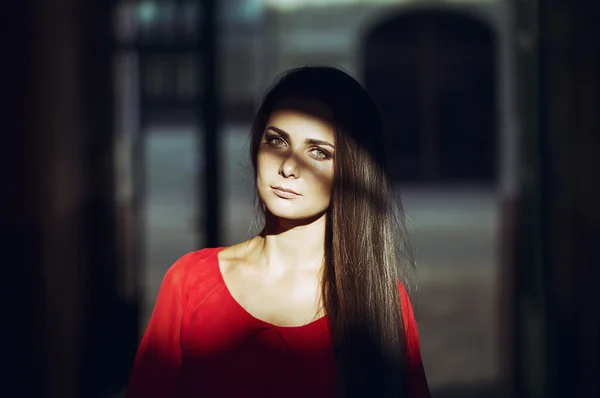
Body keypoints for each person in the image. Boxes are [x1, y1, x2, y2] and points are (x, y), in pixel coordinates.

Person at [126, 66, 430, 398]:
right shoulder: (189, 284)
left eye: (318, 152)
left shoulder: (378, 297)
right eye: (276, 141)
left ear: (352, 172)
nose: (288, 167)